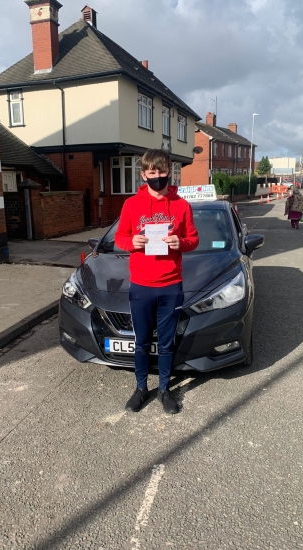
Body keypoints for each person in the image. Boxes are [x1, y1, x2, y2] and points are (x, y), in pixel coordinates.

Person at [115, 149, 199, 414]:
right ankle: (141, 388)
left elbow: (194, 239)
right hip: (141, 285)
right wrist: (132, 242)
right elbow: (120, 238)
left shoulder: (182, 206)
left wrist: (180, 242)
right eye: (152, 173)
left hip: (170, 286)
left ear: (170, 173)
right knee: (141, 341)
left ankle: (164, 389)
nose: (158, 177)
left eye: (162, 172)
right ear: (144, 174)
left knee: (166, 343)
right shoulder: (131, 205)